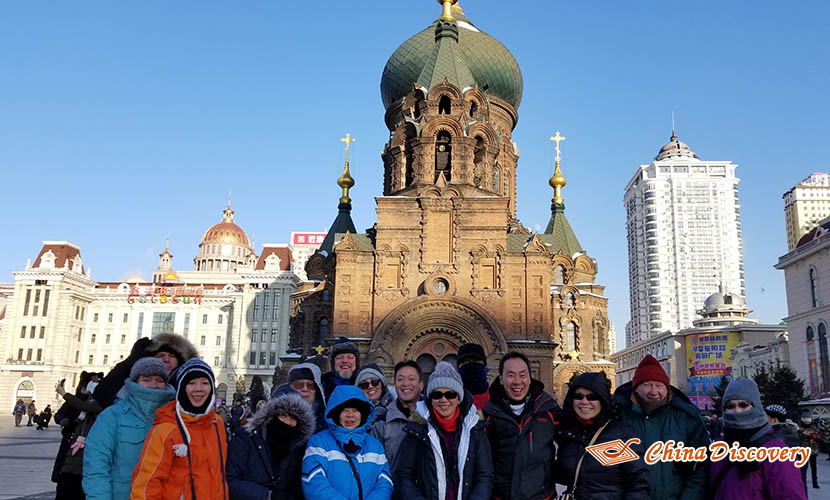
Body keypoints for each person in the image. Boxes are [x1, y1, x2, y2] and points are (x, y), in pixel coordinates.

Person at [612, 354, 710, 500]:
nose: (653, 392)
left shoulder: (686, 418)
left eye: (659, 386)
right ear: (635, 389)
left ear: (667, 389)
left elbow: (702, 466)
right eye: (647, 385)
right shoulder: (618, 415)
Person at [130, 359, 228, 500]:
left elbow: (219, 476)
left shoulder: (217, 423)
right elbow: (146, 484)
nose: (198, 388)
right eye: (191, 383)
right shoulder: (166, 429)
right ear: (181, 388)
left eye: (205, 383)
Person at [395, 361, 493, 500]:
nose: (443, 400)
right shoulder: (417, 430)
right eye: (437, 395)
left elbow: (484, 475)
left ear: (458, 398)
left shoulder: (475, 429)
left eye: (450, 394)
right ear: (430, 399)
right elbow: (403, 476)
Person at [83, 358, 175, 500]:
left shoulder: (175, 418)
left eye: (159, 380)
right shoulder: (112, 416)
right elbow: (96, 467)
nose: (153, 385)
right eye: (146, 379)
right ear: (135, 382)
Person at [554, 372, 650, 499]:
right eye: (578, 396)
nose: (584, 402)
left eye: (592, 397)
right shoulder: (566, 434)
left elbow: (638, 483)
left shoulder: (621, 434)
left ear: (603, 400)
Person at [710, 378, 806, 499]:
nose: (737, 411)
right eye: (730, 406)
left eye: (743, 405)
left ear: (755, 406)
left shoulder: (776, 451)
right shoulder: (720, 449)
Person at [483, 352, 559, 500]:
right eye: (510, 375)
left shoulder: (548, 409)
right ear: (501, 379)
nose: (517, 381)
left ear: (530, 379)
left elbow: (575, 437)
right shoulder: (488, 415)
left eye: (522, 375)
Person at [301, 385, 393, 500]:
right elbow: (313, 481)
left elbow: (385, 483)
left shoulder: (375, 446)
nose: (350, 415)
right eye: (345, 410)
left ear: (362, 414)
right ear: (336, 414)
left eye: (355, 410)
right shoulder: (319, 442)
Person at [227, 385, 315, 500]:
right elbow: (230, 481)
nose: (288, 422)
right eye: (283, 415)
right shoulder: (245, 438)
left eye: (293, 418)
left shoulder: (298, 448)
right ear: (271, 415)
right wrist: (268, 496)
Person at [93, 333, 199, 409]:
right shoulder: (134, 388)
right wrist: (132, 360)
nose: (166, 360)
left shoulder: (188, 387)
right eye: (160, 355)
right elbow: (102, 394)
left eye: (172, 356)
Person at [54, 378, 103, 500]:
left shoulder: (97, 406)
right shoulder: (82, 408)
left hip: (85, 458)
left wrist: (63, 393)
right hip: (72, 452)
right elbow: (62, 414)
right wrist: (63, 421)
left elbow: (83, 405)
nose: (86, 393)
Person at [372, 360, 423, 470]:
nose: (405, 383)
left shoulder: (432, 417)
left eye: (411, 379)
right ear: (395, 385)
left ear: (421, 385)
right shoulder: (383, 422)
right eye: (400, 379)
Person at [287, 362, 327, 433]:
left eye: (310, 385)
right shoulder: (278, 418)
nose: (305, 389)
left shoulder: (326, 422)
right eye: (299, 385)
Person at [356, 363, 394, 432]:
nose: (370, 386)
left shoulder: (395, 410)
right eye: (364, 384)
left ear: (382, 384)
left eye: (375, 382)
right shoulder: (352, 414)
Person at [321, 337, 360, 402]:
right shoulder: (321, 383)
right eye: (339, 358)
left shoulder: (364, 384)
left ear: (356, 362)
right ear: (333, 362)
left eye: (350, 357)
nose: (345, 361)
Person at [457, 343, 490, 410]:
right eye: (465, 361)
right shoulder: (451, 398)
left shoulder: (496, 397)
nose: (471, 364)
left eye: (475, 360)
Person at [799, 417, 821, 490]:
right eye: (806, 421)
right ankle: (802, 482)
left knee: (814, 468)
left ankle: (815, 483)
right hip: (804, 451)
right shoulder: (799, 427)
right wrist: (802, 433)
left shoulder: (814, 427)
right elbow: (797, 437)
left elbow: (819, 436)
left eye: (808, 421)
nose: (807, 422)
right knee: (803, 469)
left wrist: (814, 436)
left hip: (813, 451)